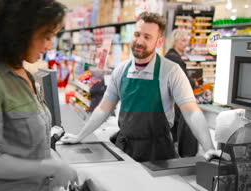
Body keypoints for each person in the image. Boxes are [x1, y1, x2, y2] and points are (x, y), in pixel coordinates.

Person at [0, 1, 77, 191]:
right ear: (19, 32)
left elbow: (34, 143)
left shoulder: (26, 75)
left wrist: (56, 163)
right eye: (46, 36)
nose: (50, 45)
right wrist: (51, 167)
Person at [61, 12, 220, 162]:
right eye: (137, 35)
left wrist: (209, 148)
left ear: (159, 42)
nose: (139, 41)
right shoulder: (121, 70)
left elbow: (192, 112)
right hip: (125, 149)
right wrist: (79, 136)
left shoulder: (171, 71)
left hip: (158, 152)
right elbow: (104, 108)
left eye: (147, 37)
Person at [165, 29, 198, 157]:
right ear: (175, 41)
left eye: (187, 41)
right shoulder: (175, 59)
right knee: (176, 135)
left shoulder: (169, 56)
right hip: (177, 103)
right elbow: (185, 83)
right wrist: (194, 83)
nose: (186, 44)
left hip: (171, 102)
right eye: (183, 41)